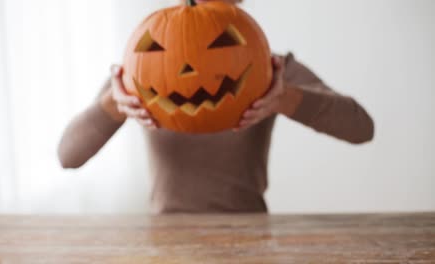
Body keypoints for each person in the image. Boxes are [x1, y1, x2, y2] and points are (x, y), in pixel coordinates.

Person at [58, 0, 374, 213]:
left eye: (223, 44)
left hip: (251, 234)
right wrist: (116, 103)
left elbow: (361, 128)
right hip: (166, 240)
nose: (191, 74)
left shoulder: (269, 67)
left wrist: (285, 98)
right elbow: (68, 156)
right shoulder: (139, 67)